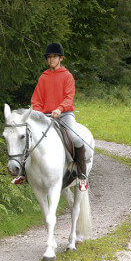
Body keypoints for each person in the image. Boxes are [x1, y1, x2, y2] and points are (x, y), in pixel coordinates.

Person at [30, 42, 89, 191]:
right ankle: (24, 173)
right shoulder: (43, 78)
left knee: (76, 138)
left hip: (64, 114)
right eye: (49, 57)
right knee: (29, 137)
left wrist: (59, 108)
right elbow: (36, 100)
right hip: (45, 116)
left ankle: (82, 176)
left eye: (54, 57)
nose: (51, 60)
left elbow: (69, 97)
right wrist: (36, 112)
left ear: (61, 58)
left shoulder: (67, 76)